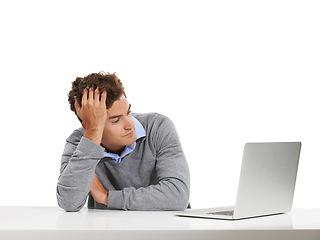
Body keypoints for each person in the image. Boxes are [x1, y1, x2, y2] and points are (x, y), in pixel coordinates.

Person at [56, 72, 190, 212]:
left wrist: (107, 197)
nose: (129, 124)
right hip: (109, 230)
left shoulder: (158, 127)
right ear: (88, 125)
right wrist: (92, 135)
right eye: (115, 120)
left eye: (128, 112)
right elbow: (69, 202)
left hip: (166, 229)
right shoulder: (80, 143)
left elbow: (178, 195)